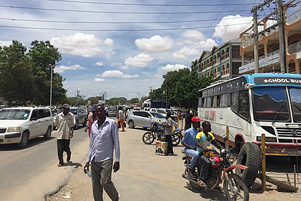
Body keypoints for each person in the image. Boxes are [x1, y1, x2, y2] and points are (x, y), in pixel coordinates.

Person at [84, 105, 120, 201]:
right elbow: (92, 144)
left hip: (106, 158)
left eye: (101, 111)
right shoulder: (94, 125)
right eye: (97, 111)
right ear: (95, 113)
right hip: (95, 159)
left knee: (105, 182)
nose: (99, 113)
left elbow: (116, 142)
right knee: (96, 185)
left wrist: (117, 160)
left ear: (104, 111)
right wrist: (87, 161)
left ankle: (115, 197)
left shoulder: (111, 123)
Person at [195, 121, 223, 186]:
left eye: (210, 126)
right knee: (206, 162)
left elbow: (215, 142)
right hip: (200, 152)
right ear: (204, 127)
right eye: (208, 127)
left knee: (219, 161)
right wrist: (202, 147)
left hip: (209, 152)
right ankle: (201, 179)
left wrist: (222, 148)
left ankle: (216, 179)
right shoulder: (200, 134)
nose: (210, 128)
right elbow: (196, 143)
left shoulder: (210, 134)